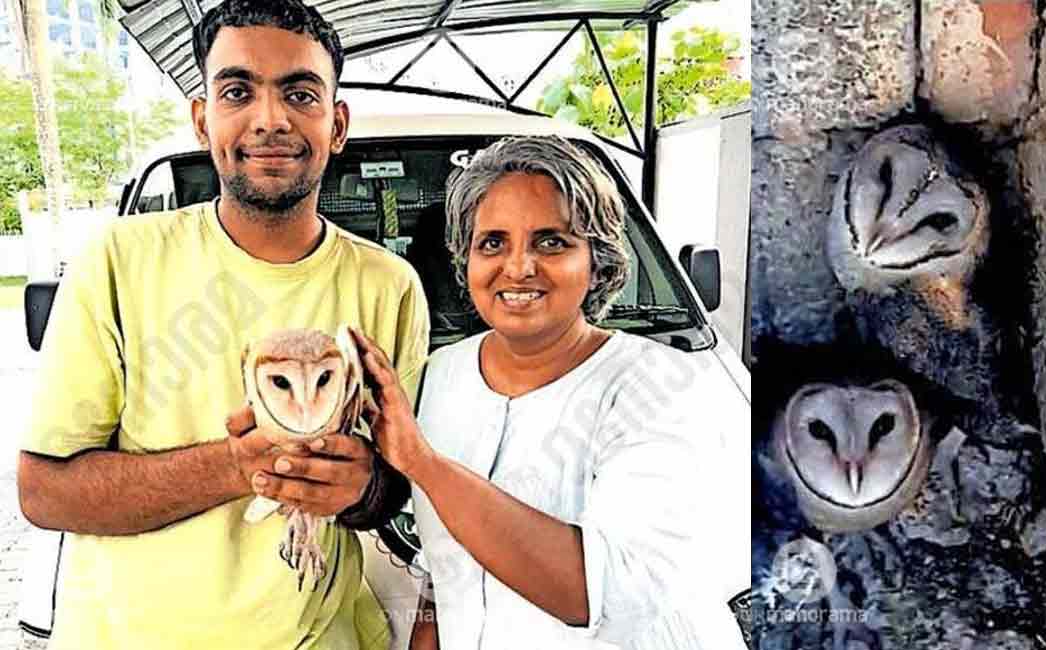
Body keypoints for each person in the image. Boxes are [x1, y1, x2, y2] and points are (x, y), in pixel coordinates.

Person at [16, 1, 427, 648]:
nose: (270, 120)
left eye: (300, 94)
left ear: (337, 124)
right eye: (238, 92)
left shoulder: (389, 286)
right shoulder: (117, 260)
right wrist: (240, 465)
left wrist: (360, 487)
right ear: (203, 119)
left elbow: (396, 485)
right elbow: (45, 493)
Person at [275, 136, 744, 649]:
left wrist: (423, 464)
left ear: (598, 261)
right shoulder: (443, 374)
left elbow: (596, 595)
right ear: (466, 259)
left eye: (552, 242)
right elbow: (443, 572)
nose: (518, 267)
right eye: (492, 243)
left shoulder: (660, 385)